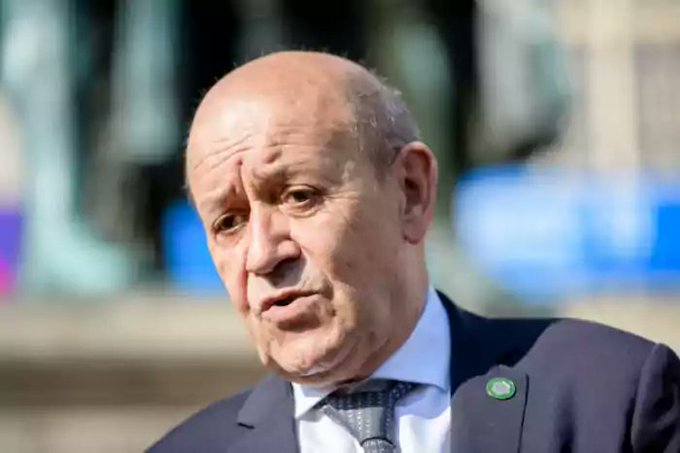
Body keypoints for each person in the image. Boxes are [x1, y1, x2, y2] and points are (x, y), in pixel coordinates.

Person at [148, 51, 680, 453]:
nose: (263, 254)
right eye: (229, 223)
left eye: (299, 196)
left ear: (411, 191)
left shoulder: (613, 396)